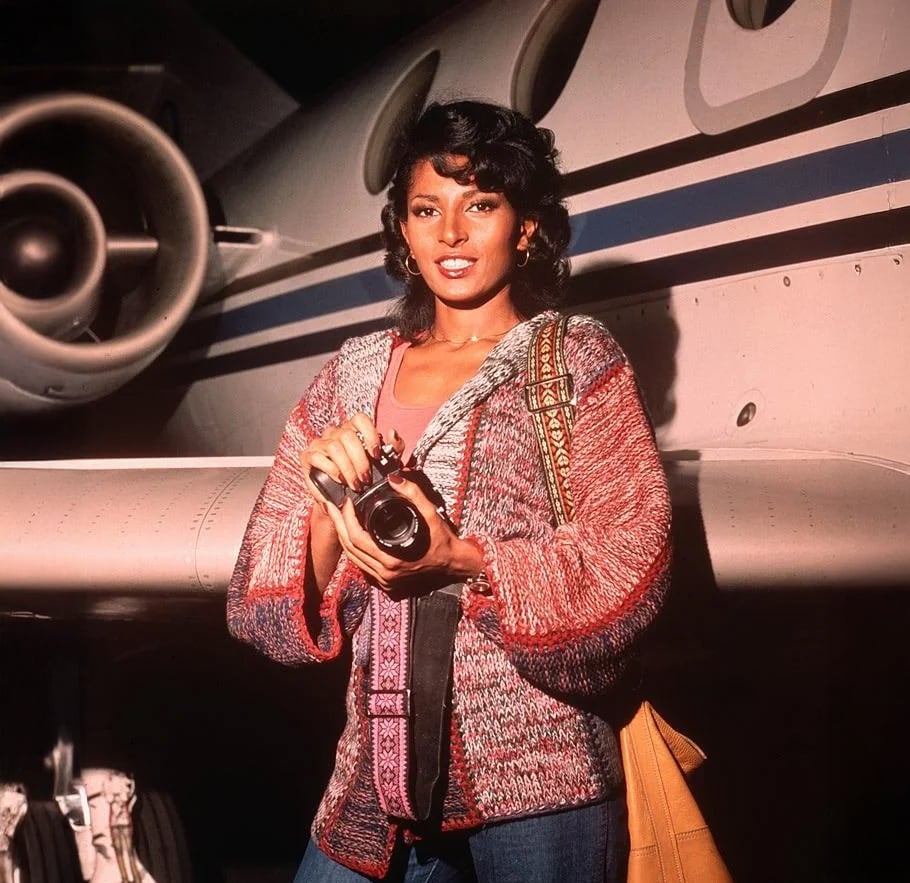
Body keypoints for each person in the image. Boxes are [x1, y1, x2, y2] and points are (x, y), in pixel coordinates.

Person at [227, 100, 671, 883]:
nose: (452, 234)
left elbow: (632, 560)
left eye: (482, 206)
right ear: (402, 228)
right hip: (376, 780)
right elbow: (259, 604)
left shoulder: (576, 359)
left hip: (545, 782)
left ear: (526, 226)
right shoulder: (353, 375)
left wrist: (463, 561)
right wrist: (329, 501)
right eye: (427, 209)